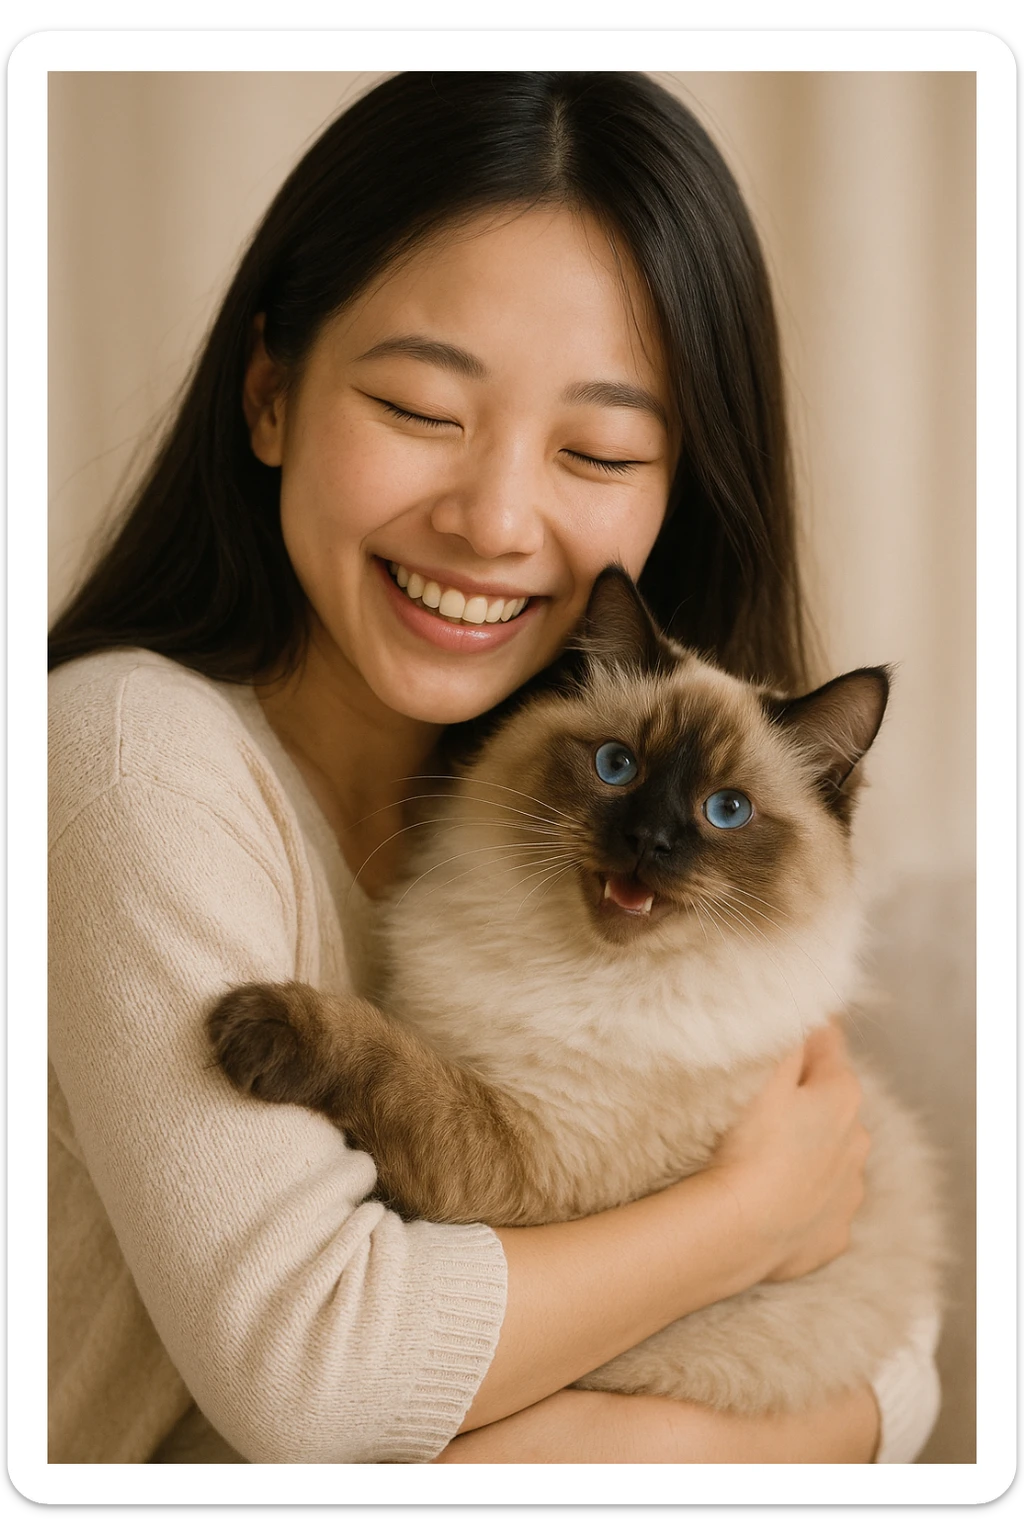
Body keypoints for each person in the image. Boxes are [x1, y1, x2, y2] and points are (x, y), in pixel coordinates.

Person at [47, 71, 940, 1465]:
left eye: (597, 447)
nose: (495, 518)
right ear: (271, 395)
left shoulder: (548, 820)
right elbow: (323, 1379)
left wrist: (679, 1438)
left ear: (672, 492)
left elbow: (903, 1370)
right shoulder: (127, 755)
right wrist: (742, 1234)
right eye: (416, 407)